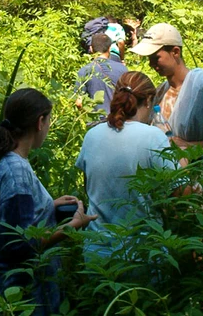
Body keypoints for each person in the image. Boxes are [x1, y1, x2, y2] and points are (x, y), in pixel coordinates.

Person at [0, 88, 96, 315]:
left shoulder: (5, 159)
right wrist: (72, 227)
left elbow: (13, 217)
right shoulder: (15, 171)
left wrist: (48, 205)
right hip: (25, 292)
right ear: (40, 122)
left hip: (13, 288)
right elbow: (20, 245)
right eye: (48, 120)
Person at [75, 72, 177, 261]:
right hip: (143, 254)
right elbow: (179, 194)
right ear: (148, 101)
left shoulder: (92, 135)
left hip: (96, 251)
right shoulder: (154, 137)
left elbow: (90, 188)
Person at [129, 23, 203, 148]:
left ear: (175, 52)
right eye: (149, 59)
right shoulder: (160, 93)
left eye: (155, 58)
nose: (151, 64)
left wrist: (190, 146)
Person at [75, 33, 128, 114]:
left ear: (91, 48)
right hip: (118, 119)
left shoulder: (84, 71)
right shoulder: (123, 69)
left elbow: (79, 102)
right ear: (109, 48)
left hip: (96, 122)